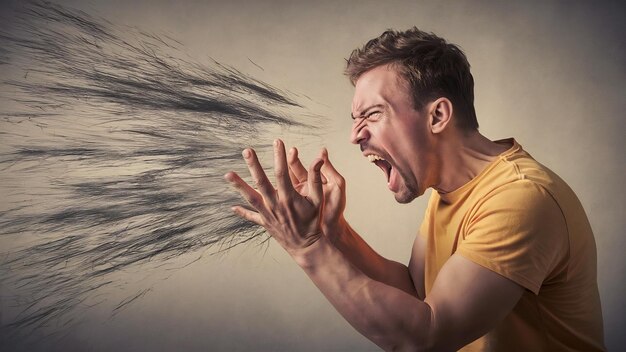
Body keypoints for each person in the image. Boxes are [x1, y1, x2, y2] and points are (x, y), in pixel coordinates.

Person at [224, 28, 605, 351]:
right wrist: (333, 232)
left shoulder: (520, 198)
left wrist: (308, 247)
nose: (354, 135)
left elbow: (426, 334)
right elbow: (417, 294)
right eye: (355, 119)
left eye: (372, 114)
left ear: (437, 115)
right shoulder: (450, 187)